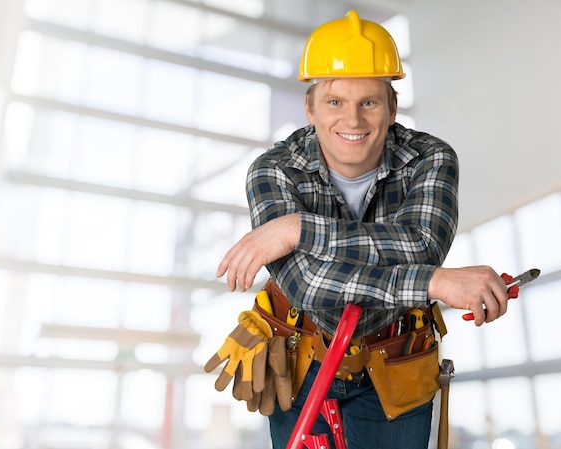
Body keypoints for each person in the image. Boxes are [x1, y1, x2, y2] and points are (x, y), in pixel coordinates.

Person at [215, 10, 511, 449]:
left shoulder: (429, 159)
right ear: (310, 107)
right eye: (335, 101)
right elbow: (307, 284)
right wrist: (431, 282)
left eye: (368, 101)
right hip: (300, 357)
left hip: (394, 358)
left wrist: (300, 229)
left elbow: (421, 243)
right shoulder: (274, 170)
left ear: (391, 107)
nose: (352, 120)